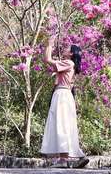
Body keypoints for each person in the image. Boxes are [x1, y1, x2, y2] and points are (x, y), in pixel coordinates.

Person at [40, 35, 90, 169]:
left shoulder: (68, 63)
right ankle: (75, 156)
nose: (65, 48)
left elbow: (47, 59)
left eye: (68, 48)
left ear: (72, 53)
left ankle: (65, 159)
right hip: (63, 94)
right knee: (64, 124)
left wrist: (49, 44)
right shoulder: (69, 64)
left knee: (61, 124)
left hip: (62, 95)